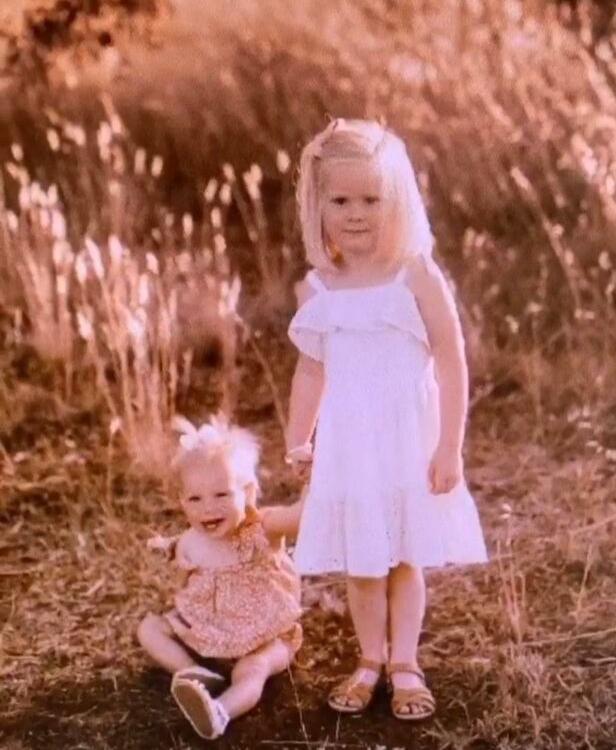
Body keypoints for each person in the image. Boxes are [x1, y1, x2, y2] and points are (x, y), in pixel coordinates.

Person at [285, 118, 488, 721]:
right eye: (341, 201)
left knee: (404, 556)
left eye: (371, 200)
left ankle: (406, 662)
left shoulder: (415, 273)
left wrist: (449, 446)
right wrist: (298, 438)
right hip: (350, 443)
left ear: (395, 199)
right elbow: (311, 371)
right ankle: (369, 658)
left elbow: (450, 359)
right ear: (317, 206)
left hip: (406, 440)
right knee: (363, 560)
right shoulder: (318, 288)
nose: (356, 214)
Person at [137, 416, 303, 741]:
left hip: (266, 635)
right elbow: (180, 570)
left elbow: (299, 517)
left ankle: (219, 711)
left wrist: (315, 479)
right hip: (210, 632)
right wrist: (167, 549)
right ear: (182, 501)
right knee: (149, 629)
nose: (208, 509)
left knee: (252, 670)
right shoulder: (191, 540)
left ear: (247, 492)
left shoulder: (262, 529)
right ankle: (194, 673)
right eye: (195, 499)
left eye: (221, 494)